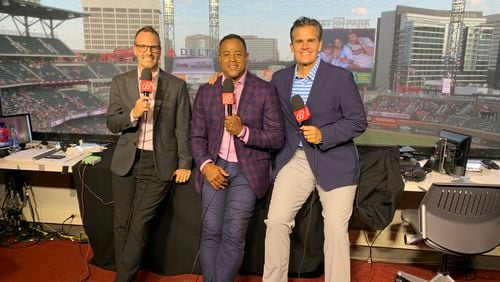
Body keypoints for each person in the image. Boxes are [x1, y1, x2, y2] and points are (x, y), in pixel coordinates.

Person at [263, 17, 368, 282]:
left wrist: (325, 134)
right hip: (296, 159)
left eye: (311, 40)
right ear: (292, 45)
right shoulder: (280, 78)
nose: (305, 46)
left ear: (320, 44)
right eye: (300, 41)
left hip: (335, 161)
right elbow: (265, 109)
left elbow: (358, 121)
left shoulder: (340, 77)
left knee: (334, 229)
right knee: (275, 222)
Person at [190, 34, 284, 282]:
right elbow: (196, 137)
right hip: (215, 168)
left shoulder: (265, 91)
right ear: (219, 58)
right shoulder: (207, 91)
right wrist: (206, 165)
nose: (232, 59)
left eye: (238, 54)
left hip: (248, 172)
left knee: (232, 235)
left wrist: (244, 131)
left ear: (247, 57)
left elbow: (276, 138)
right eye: (226, 54)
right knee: (210, 232)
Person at [106, 26, 192, 282]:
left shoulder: (176, 86)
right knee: (121, 223)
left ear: (159, 51)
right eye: (143, 46)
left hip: (159, 164)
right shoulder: (120, 83)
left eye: (153, 47)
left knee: (139, 225)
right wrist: (133, 114)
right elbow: (112, 123)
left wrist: (185, 162)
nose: (148, 52)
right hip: (126, 163)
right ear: (135, 50)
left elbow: (183, 127)